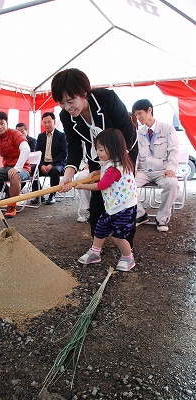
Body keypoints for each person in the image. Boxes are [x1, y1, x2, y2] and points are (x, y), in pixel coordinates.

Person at [51, 68, 138, 247]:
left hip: (124, 152)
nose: (67, 107)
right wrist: (68, 175)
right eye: (61, 103)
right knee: (98, 198)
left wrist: (115, 165)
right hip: (97, 156)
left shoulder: (107, 98)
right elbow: (74, 148)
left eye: (70, 101)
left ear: (84, 93)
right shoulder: (65, 117)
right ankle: (96, 246)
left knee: (123, 199)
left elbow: (128, 130)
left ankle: (127, 246)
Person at [76, 129, 137, 271]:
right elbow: (106, 174)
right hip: (113, 206)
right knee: (100, 228)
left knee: (119, 236)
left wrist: (82, 186)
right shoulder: (113, 162)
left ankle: (128, 258)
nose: (98, 152)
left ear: (113, 148)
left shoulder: (115, 167)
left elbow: (102, 185)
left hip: (124, 208)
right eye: (97, 148)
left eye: (101, 149)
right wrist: (97, 172)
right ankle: (95, 252)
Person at [132, 99, 180, 232]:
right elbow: (135, 154)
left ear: (149, 110)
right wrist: (133, 170)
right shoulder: (139, 133)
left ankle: (162, 218)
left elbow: (174, 150)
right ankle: (140, 215)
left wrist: (171, 168)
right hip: (144, 171)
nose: (138, 117)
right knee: (126, 184)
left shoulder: (167, 128)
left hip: (163, 170)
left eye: (140, 113)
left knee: (172, 184)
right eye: (136, 115)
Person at [31, 112, 67, 205]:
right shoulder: (40, 136)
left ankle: (52, 195)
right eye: (45, 122)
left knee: (55, 170)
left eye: (49, 122)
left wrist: (52, 164)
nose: (47, 125)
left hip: (57, 163)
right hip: (43, 163)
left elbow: (64, 153)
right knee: (32, 169)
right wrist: (42, 164)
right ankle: (39, 195)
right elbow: (37, 153)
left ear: (54, 122)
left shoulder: (61, 135)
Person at [75, 141, 91, 222]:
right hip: (88, 168)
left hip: (106, 166)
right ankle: (88, 209)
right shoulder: (82, 139)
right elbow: (79, 157)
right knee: (80, 178)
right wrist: (84, 166)